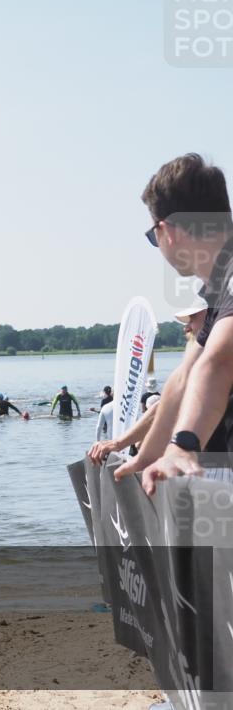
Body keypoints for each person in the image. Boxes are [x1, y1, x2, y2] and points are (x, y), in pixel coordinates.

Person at [114, 153, 233, 493]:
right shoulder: (219, 288)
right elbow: (184, 377)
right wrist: (148, 455)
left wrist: (182, 445)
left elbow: (219, 362)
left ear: (168, 231)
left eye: (153, 237)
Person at [88, 302, 211, 464]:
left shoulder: (214, 363)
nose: (186, 328)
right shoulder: (203, 362)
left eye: (192, 319)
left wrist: (118, 443)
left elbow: (166, 409)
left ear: (213, 318)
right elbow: (165, 408)